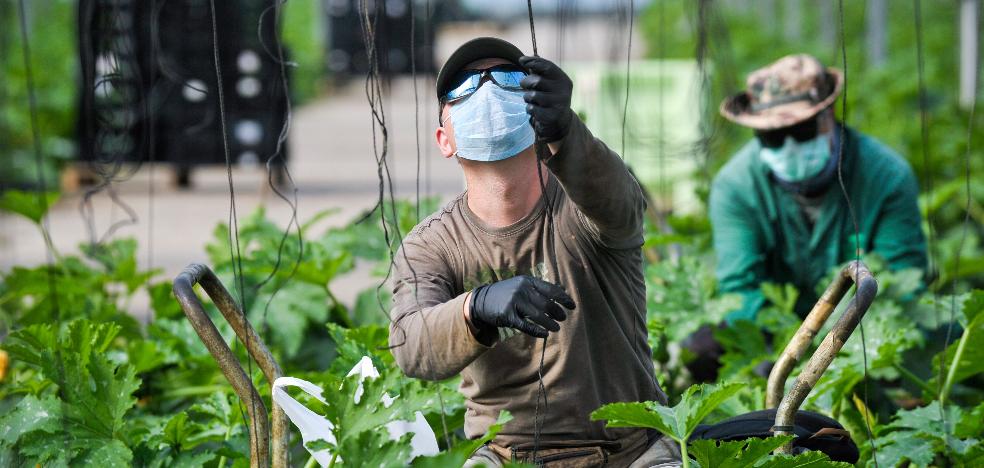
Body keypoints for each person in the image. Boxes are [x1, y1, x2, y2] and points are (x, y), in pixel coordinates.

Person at [388, 37, 682, 467]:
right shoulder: (431, 244)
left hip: (634, 451)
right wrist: (477, 307)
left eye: (507, 79)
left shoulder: (582, 207)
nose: (486, 89)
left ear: (535, 110)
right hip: (507, 455)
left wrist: (567, 129)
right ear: (443, 139)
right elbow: (411, 347)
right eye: (464, 88)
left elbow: (620, 204)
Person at [687, 54, 928, 381]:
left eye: (800, 131)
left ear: (828, 115)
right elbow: (739, 289)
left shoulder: (886, 176)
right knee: (702, 347)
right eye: (772, 137)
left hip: (865, 332)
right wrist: (787, 351)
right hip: (777, 335)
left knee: (936, 336)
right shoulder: (735, 187)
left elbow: (902, 281)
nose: (787, 147)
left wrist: (836, 348)